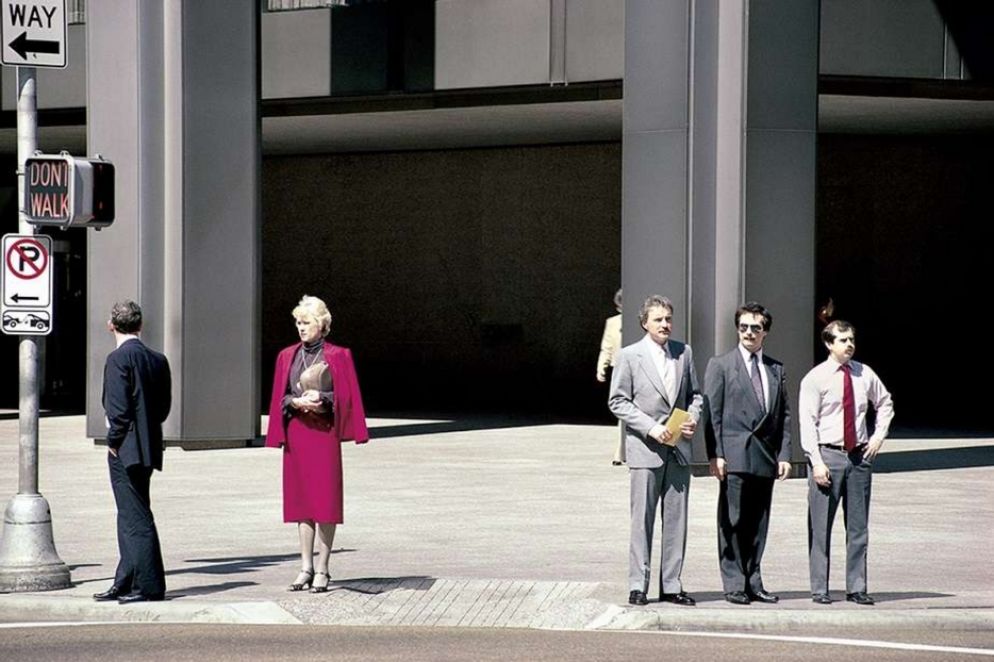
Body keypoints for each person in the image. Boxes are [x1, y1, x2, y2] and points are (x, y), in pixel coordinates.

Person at [265, 295, 368, 594]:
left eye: (306, 322)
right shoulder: (288, 356)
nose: (300, 327)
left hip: (323, 435)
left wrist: (322, 400)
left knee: (325, 502)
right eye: (298, 322)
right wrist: (293, 401)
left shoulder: (338, 355)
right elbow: (280, 396)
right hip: (297, 433)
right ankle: (304, 567)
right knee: (301, 503)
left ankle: (323, 568)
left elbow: (346, 398)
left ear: (321, 325)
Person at [608, 295, 703, 607]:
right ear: (644, 323)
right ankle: (638, 584)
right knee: (642, 520)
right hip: (646, 449)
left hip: (678, 449)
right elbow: (618, 401)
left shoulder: (683, 353)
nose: (665, 324)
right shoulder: (629, 356)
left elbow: (695, 394)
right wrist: (650, 427)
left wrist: (692, 418)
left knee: (676, 520)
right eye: (659, 319)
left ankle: (672, 585)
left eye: (668, 319)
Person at [799, 320, 894, 606]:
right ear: (829, 344)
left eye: (851, 339)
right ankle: (820, 588)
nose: (849, 345)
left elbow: (885, 403)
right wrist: (815, 461)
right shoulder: (815, 378)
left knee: (858, 527)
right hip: (828, 456)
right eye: (842, 340)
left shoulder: (864, 373)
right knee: (820, 526)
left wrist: (878, 437)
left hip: (859, 457)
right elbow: (807, 422)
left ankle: (857, 587)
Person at [704, 302, 791, 605]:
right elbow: (712, 414)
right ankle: (734, 583)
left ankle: (754, 581)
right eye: (743, 327)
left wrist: (784, 455)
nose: (749, 332)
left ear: (765, 332)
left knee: (759, 523)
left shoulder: (775, 369)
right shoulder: (721, 365)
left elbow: (784, 416)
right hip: (734, 456)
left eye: (755, 327)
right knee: (733, 521)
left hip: (765, 457)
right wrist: (715, 455)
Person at [93, 300, 171, 604]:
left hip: (125, 447)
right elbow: (163, 407)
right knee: (129, 513)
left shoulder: (117, 359)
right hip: (148, 445)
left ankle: (149, 585)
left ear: (111, 325)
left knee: (135, 517)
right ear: (140, 324)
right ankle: (125, 578)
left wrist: (113, 439)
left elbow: (119, 409)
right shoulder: (157, 359)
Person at [596, 288, 625, 465]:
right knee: (622, 410)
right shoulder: (613, 323)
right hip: (618, 367)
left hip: (637, 367)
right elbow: (606, 346)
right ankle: (620, 452)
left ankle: (623, 452)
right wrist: (601, 367)